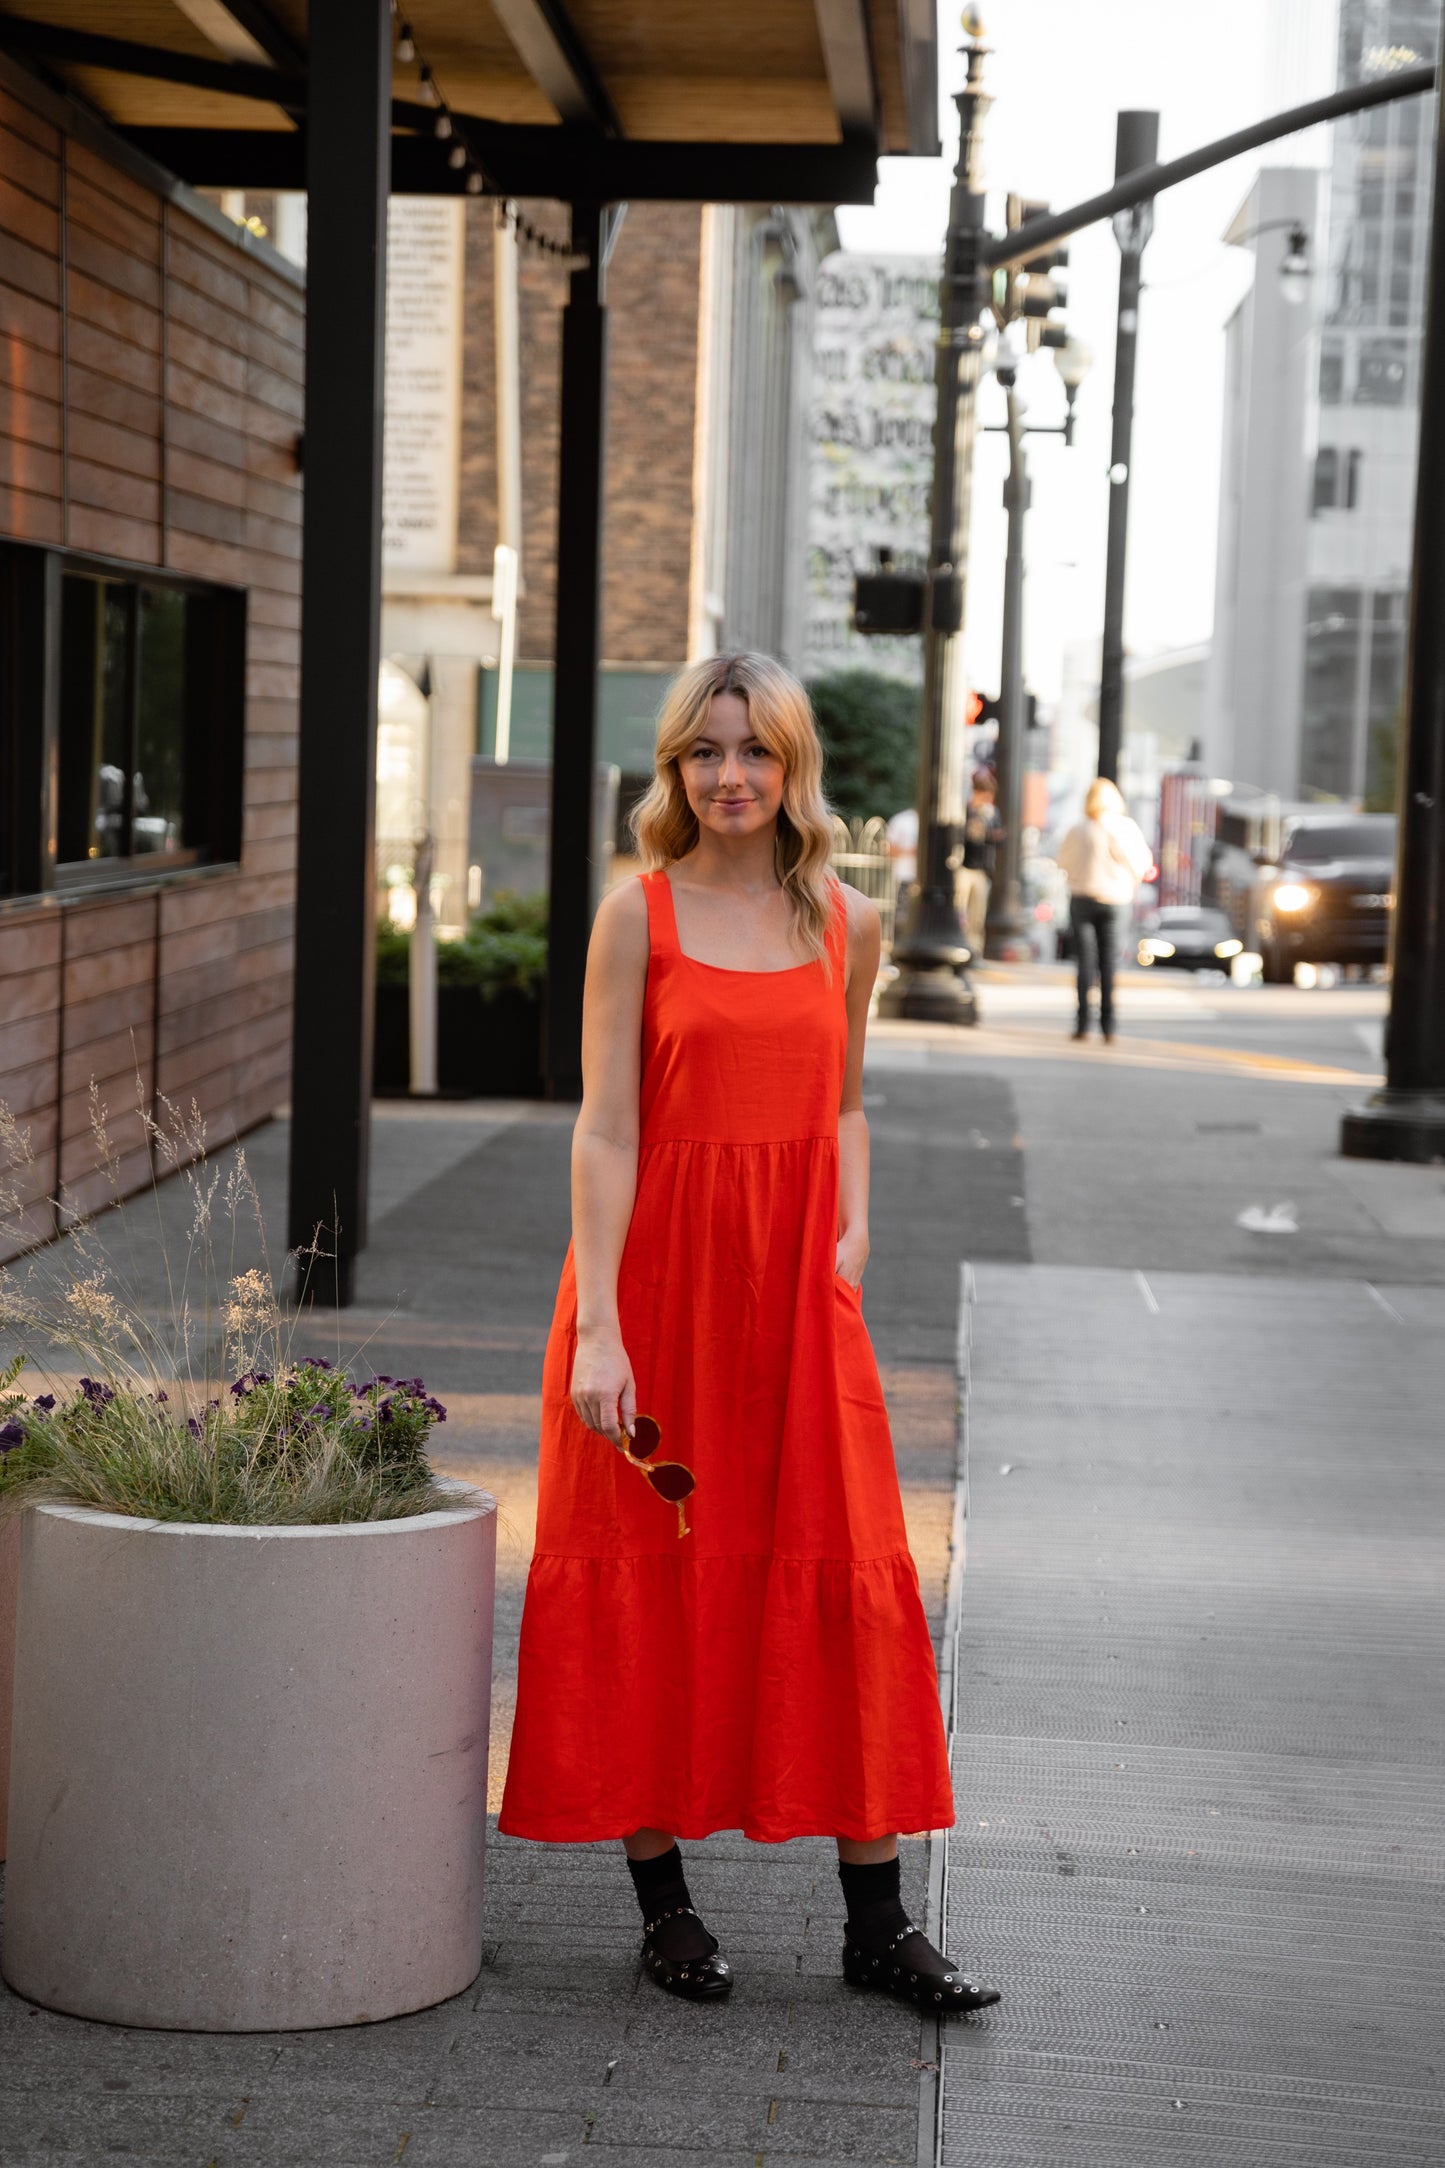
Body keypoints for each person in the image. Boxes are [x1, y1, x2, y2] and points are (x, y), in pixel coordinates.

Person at [499, 652, 999, 2018]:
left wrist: (851, 1234)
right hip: (654, 1292)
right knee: (649, 1567)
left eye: (755, 753)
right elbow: (604, 1127)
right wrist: (600, 1329)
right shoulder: (636, 918)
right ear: (674, 770)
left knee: (842, 1564)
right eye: (705, 753)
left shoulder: (846, 919)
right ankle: (664, 1905)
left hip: (792, 1295)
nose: (730, 776)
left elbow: (843, 1102)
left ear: (794, 770)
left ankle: (877, 1924)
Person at [1054, 776, 1153, 1043]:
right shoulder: (1126, 828)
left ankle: (1082, 1023)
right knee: (1109, 964)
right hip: (1117, 901)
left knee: (1084, 963)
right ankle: (1109, 1025)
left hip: (1083, 898)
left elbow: (1062, 862)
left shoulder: (1078, 829)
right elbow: (1143, 865)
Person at [955, 775, 999, 957]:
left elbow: (998, 836)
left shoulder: (991, 813)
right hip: (964, 866)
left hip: (981, 869)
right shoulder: (965, 810)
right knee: (959, 910)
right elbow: (962, 835)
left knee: (977, 916)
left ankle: (974, 952)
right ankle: (959, 945)